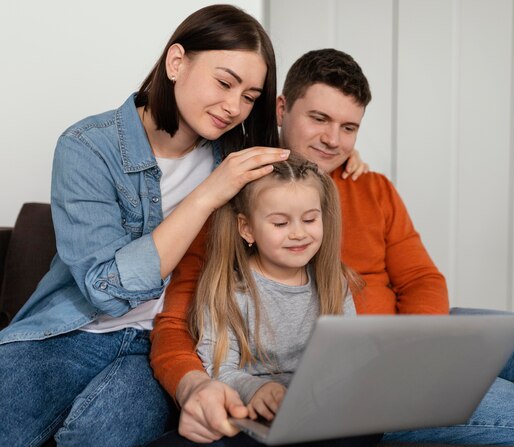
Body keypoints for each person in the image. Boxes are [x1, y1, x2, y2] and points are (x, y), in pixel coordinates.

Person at [150, 49, 514, 447]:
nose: (332, 139)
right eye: (318, 118)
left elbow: (421, 279)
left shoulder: (372, 187)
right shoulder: (235, 195)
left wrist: (414, 353)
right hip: (341, 377)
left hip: (411, 340)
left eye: (349, 127)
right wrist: (195, 386)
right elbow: (177, 322)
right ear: (280, 110)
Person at [0, 5, 296, 447]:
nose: (235, 107)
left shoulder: (236, 157)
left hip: (163, 346)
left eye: (250, 96)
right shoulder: (87, 146)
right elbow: (104, 289)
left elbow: (305, 169)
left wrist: (346, 159)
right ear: (176, 62)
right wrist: (208, 193)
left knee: (98, 436)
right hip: (70, 331)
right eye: (224, 82)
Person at [149, 154, 380, 447]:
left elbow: (348, 360)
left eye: (310, 219)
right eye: (281, 223)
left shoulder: (334, 283)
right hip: (248, 415)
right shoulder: (229, 290)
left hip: (317, 416)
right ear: (247, 229)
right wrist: (257, 390)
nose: (298, 233)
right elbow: (220, 370)